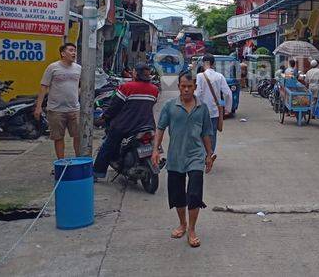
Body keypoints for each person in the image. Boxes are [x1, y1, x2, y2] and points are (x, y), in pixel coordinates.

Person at [151, 71, 215, 248]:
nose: (186, 89)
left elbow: (206, 133)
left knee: (194, 194)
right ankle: (182, 224)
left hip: (196, 156)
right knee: (177, 194)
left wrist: (209, 155)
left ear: (195, 87)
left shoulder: (202, 108)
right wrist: (155, 149)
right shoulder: (170, 106)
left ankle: (192, 229)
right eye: (183, 86)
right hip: (175, 156)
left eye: (189, 86)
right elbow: (160, 128)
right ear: (178, 86)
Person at [93, 63, 159, 179]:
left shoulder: (127, 87)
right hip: (147, 125)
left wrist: (104, 117)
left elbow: (115, 106)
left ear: (135, 73)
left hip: (125, 126)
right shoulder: (154, 90)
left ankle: (97, 173)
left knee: (107, 146)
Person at [35, 43, 81, 159]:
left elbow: (83, 86)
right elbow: (44, 87)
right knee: (58, 137)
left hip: (74, 109)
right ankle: (61, 162)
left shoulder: (78, 68)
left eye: (75, 50)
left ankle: (79, 161)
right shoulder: (53, 67)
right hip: (56, 110)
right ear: (63, 53)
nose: (74, 53)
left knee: (78, 136)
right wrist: (38, 107)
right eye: (71, 50)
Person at [194, 54, 232, 153]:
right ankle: (210, 155)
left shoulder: (200, 76)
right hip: (215, 112)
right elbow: (228, 93)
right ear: (213, 64)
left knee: (201, 134)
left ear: (203, 63)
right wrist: (227, 108)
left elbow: (197, 94)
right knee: (212, 134)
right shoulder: (220, 76)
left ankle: (202, 155)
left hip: (201, 112)